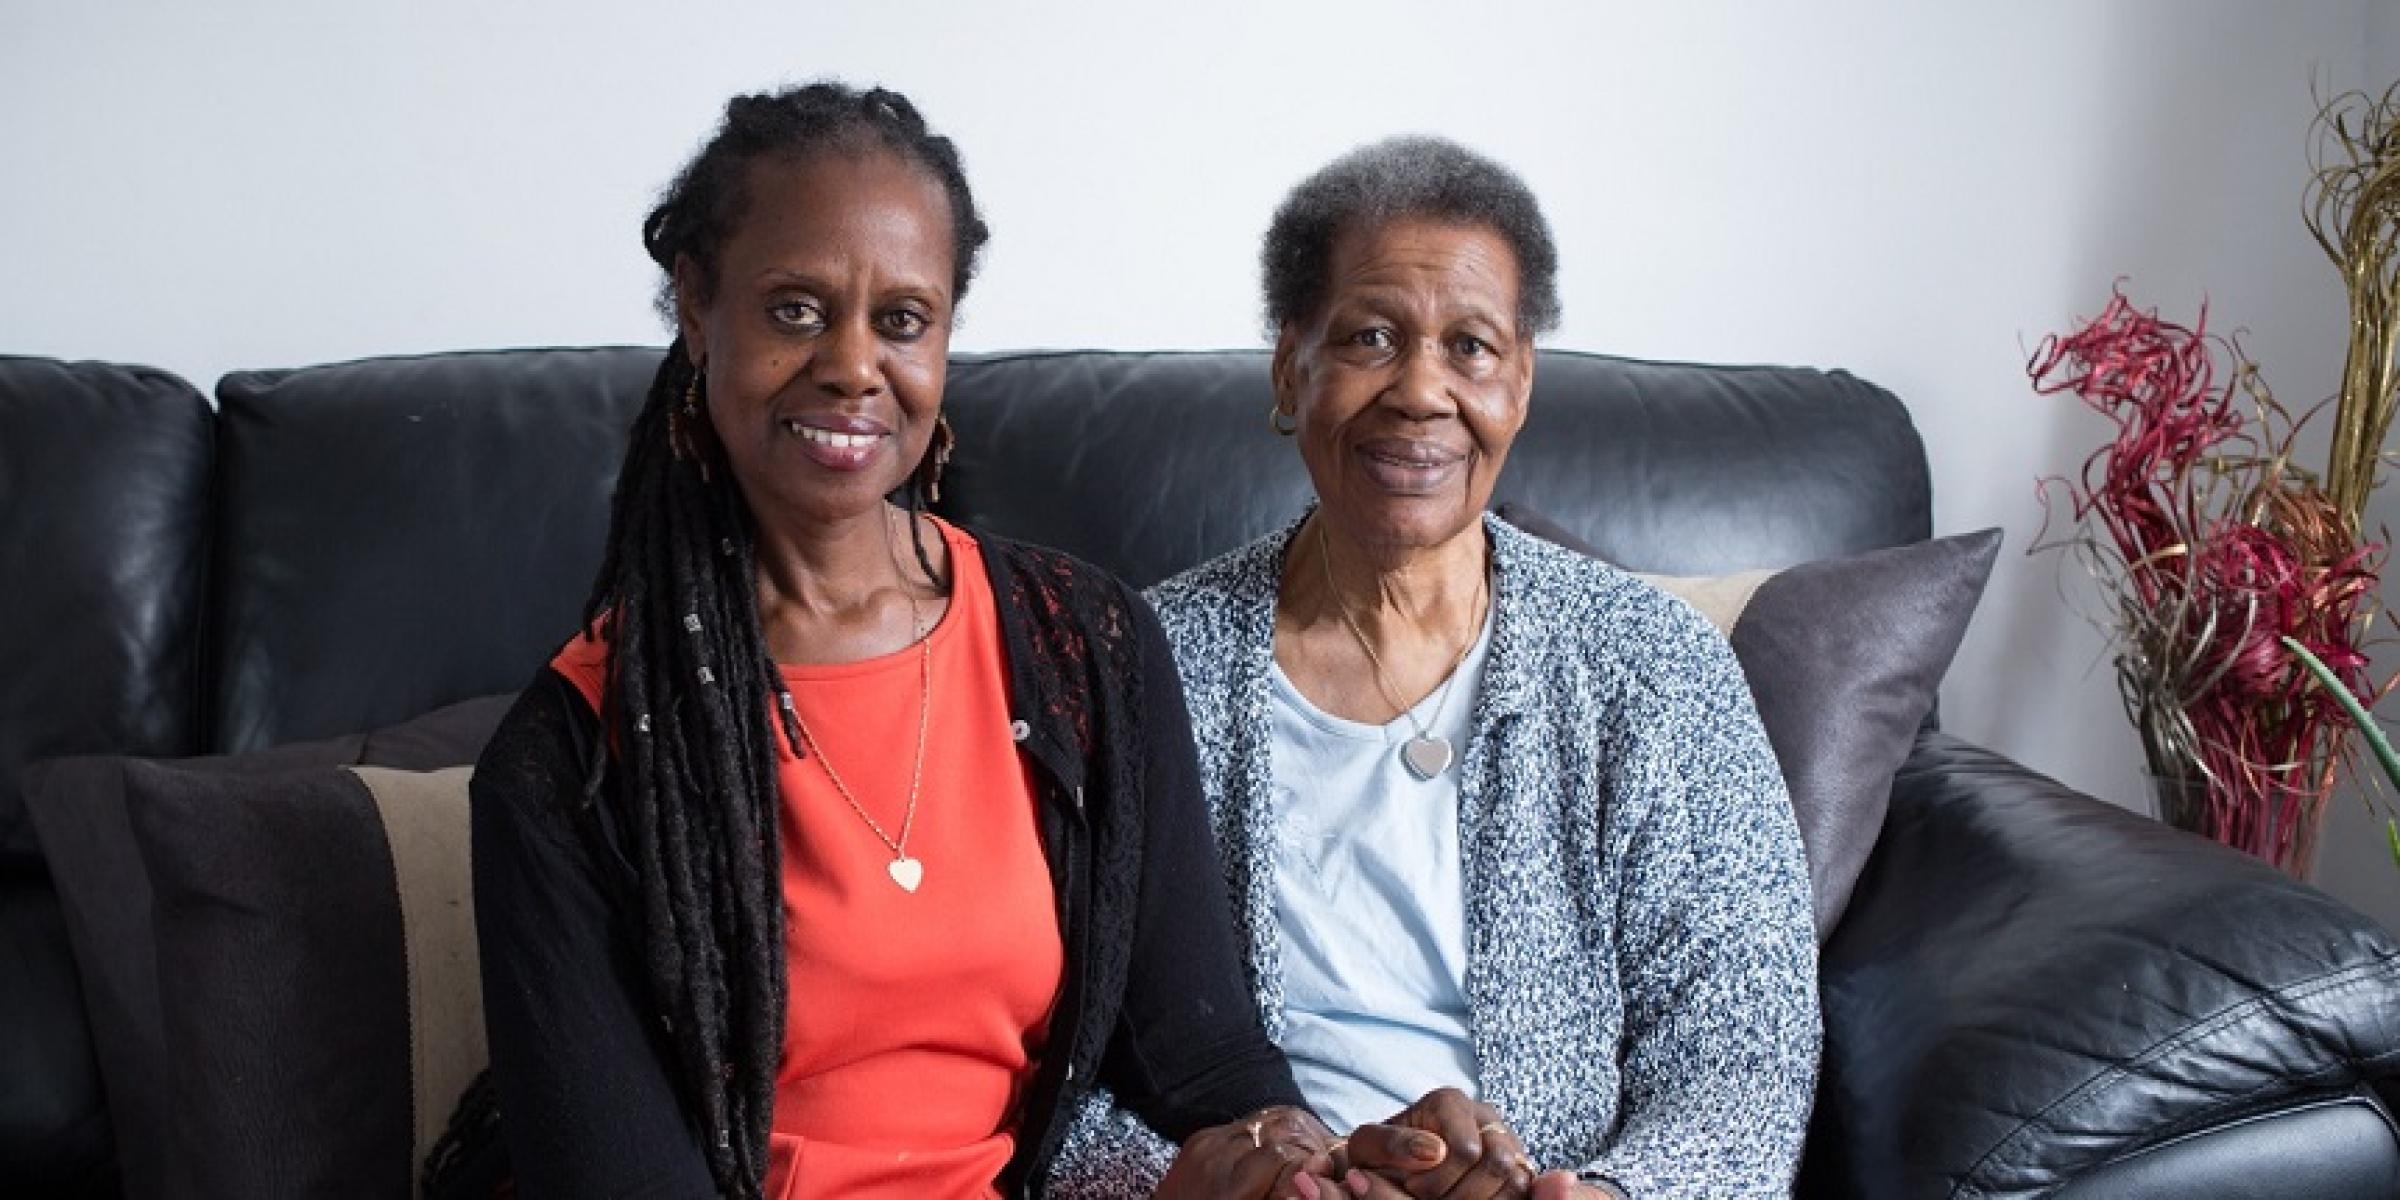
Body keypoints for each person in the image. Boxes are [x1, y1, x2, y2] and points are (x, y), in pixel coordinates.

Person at [468, 82, 1331, 1200]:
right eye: (794, 310)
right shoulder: (573, 757)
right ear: (695, 306)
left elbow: (1198, 1053)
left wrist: (1307, 1161)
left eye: (902, 320)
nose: (851, 365)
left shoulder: (1083, 649)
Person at [1048, 137, 1820, 1200]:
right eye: (1370, 337)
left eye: (1471, 347)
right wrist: (1201, 1184)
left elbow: (1746, 1046)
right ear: (1290, 367)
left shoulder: (1650, 664)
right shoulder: (1146, 665)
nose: (1421, 391)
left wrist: (1601, 1196)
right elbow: (1047, 1051)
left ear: (1521, 384)